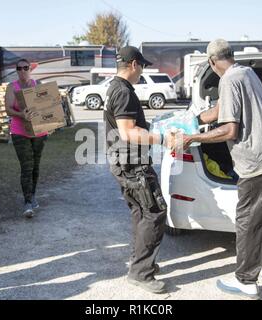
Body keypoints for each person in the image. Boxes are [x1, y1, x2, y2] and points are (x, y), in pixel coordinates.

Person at [168, 39, 262, 299]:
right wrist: (194, 120)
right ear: (231, 55)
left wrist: (191, 138)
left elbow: (230, 130)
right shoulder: (246, 72)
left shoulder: (228, 80)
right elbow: (221, 109)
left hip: (261, 160)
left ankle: (246, 280)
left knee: (249, 220)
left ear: (211, 62)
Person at [104, 46, 168, 294]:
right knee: (154, 211)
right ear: (133, 64)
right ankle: (141, 273)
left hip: (125, 161)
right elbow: (128, 132)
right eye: (142, 66)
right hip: (132, 164)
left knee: (141, 213)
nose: (142, 71)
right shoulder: (123, 92)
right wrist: (162, 138)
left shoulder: (115, 88)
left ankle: (140, 263)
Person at [5, 59, 48, 218]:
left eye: (25, 68)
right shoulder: (12, 87)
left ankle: (33, 194)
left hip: (39, 132)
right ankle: (28, 202)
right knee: (27, 166)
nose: (22, 71)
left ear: (30, 69)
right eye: (19, 68)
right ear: (16, 70)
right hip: (19, 131)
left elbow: (47, 106)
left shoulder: (37, 85)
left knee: (35, 165)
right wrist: (21, 115)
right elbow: (8, 109)